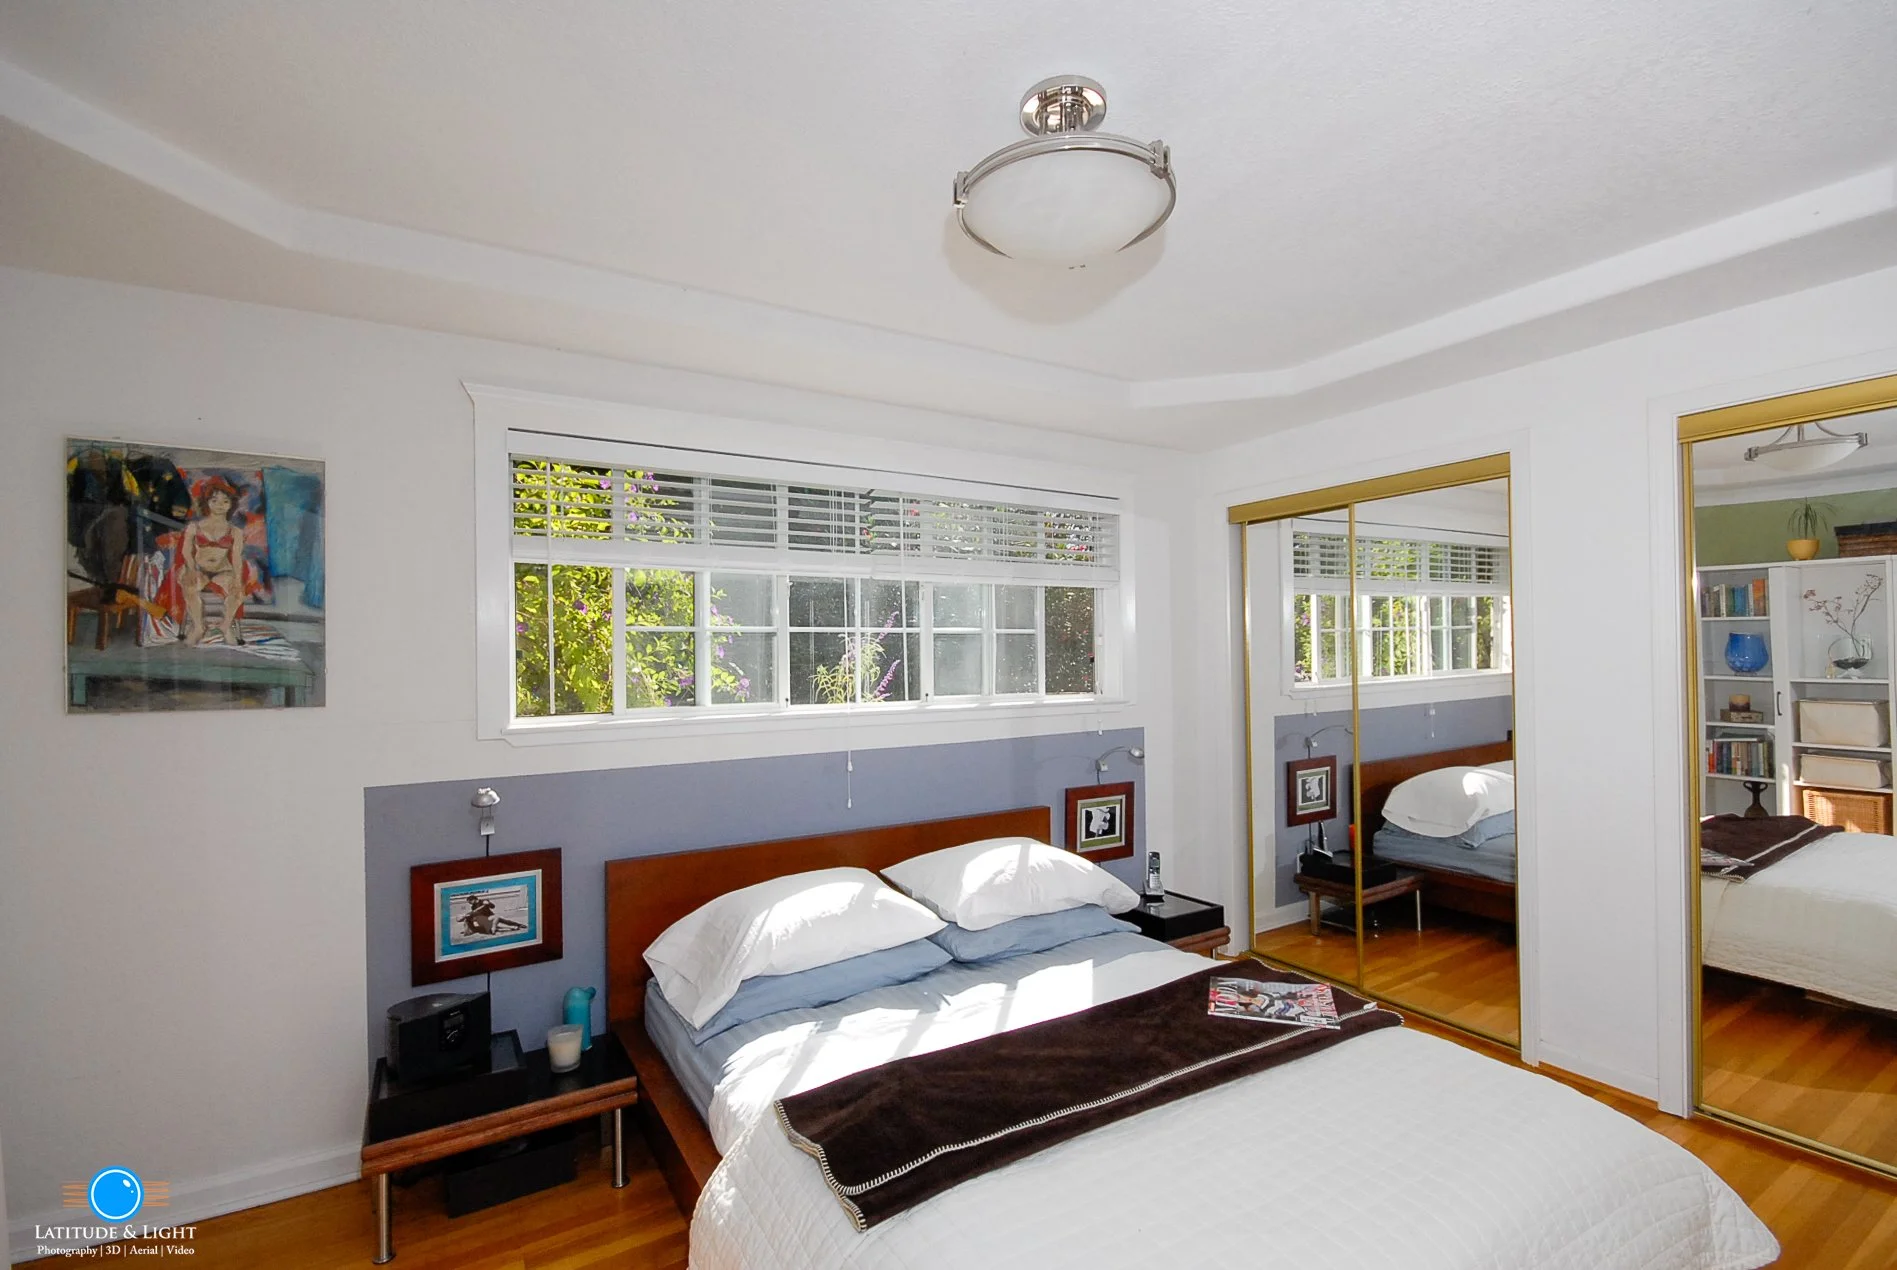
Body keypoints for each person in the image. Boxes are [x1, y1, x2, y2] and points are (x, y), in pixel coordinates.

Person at [178, 476, 247, 646]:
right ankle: (198, 626)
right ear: (207, 502)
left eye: (225, 501)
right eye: (214, 500)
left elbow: (237, 557)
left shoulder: (235, 531)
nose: (219, 505)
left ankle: (225, 625)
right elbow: (186, 551)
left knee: (238, 593)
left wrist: (237, 580)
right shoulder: (194, 527)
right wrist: (191, 569)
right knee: (188, 585)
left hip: (223, 570)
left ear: (231, 504)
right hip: (199, 568)